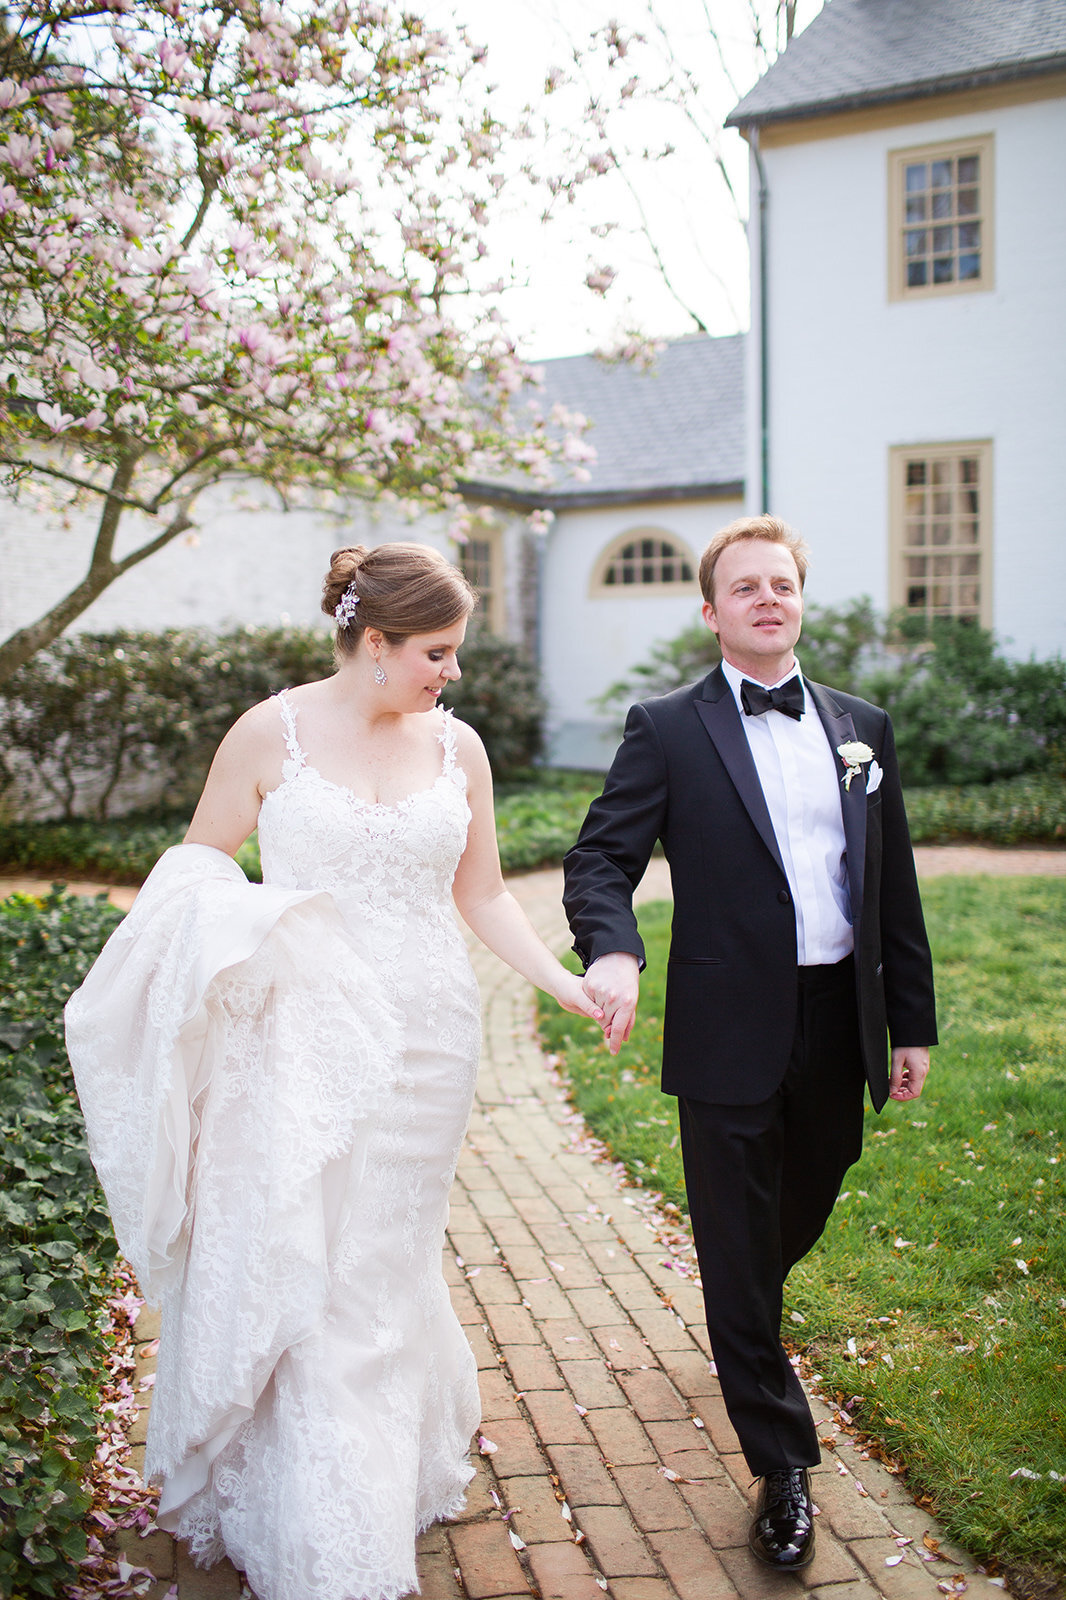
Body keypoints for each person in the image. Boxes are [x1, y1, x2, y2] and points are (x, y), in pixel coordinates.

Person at [66, 542, 601, 1600]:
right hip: (299, 1040)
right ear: (373, 642)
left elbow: (483, 893)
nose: (450, 672)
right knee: (313, 1261)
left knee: (385, 1261)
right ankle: (323, 1523)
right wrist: (248, 938)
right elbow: (198, 866)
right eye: (436, 652)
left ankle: (376, 1464)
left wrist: (564, 982)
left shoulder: (460, 749)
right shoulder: (270, 733)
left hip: (429, 1040)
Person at [563, 514, 937, 1571]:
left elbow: (890, 887)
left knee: (802, 1197)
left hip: (836, 1021)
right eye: (744, 587)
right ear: (710, 610)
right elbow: (600, 857)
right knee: (735, 1244)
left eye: (781, 583)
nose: (765, 598)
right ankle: (782, 1465)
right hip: (726, 1023)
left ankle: (742, 1315)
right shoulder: (667, 726)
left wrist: (908, 1019)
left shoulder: (859, 726)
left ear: (799, 599)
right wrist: (613, 952)